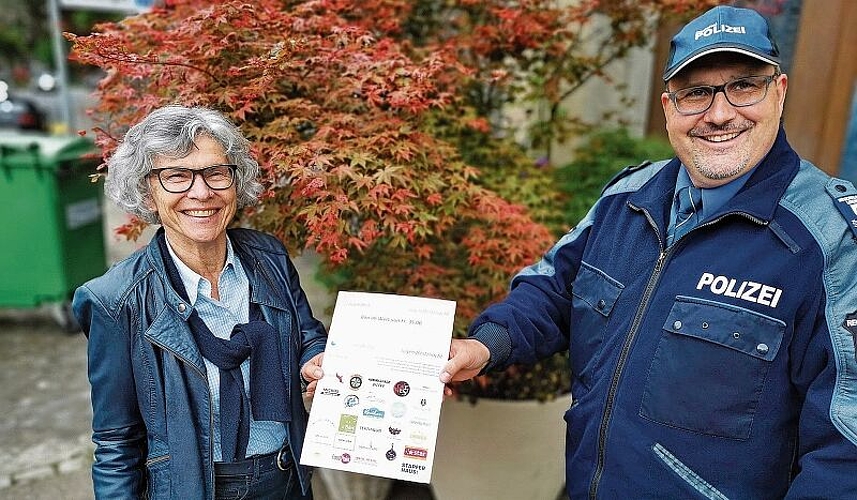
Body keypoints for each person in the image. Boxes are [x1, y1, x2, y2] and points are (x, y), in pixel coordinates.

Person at [440, 5, 857, 498]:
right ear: (667, 107)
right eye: (695, 93)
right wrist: (484, 345)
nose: (720, 114)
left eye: (744, 86)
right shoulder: (627, 198)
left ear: (779, 92)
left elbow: (845, 450)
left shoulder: (830, 240)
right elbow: (554, 289)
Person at [73, 105, 328, 499]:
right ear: (147, 191)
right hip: (197, 489)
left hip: (288, 477)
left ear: (234, 180)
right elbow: (115, 443)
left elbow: (307, 336)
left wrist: (315, 361)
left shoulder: (269, 258)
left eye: (215, 173)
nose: (202, 192)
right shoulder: (113, 300)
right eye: (176, 176)